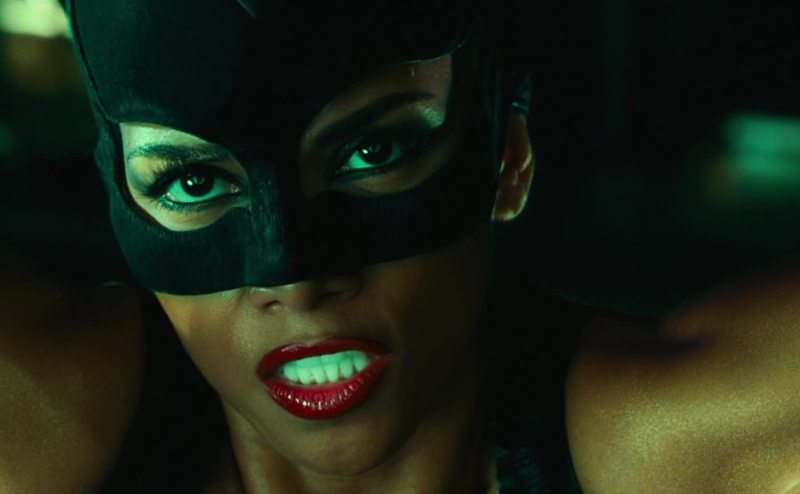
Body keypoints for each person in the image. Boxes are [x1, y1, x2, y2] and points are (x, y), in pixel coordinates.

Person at [3, 1, 800, 493]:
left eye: (373, 151)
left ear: (508, 153)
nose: (298, 279)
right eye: (193, 182)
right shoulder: (51, 414)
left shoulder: (693, 444)